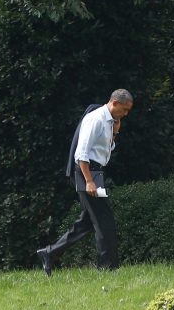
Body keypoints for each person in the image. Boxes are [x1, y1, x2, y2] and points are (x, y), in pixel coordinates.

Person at [36, 89, 134, 276]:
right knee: (105, 222)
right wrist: (89, 181)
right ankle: (108, 268)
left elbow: (104, 149)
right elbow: (81, 153)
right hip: (87, 173)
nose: (125, 114)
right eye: (124, 109)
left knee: (88, 222)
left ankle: (49, 253)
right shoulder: (95, 119)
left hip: (95, 172)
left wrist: (115, 132)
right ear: (114, 103)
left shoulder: (109, 122)